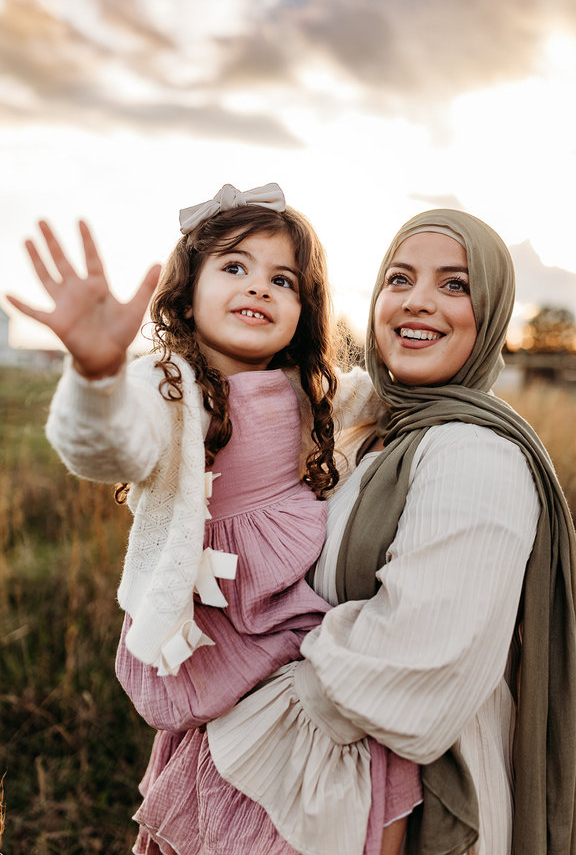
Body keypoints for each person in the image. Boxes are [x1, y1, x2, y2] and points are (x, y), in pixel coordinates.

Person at [7, 184, 422, 855]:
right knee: (221, 777)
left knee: (361, 747)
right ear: (186, 291)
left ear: (304, 309)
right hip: (216, 632)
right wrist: (95, 373)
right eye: (234, 266)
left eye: (281, 279)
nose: (258, 286)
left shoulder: (310, 388)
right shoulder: (167, 385)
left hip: (291, 634)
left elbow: (387, 394)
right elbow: (110, 443)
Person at [186, 208, 575, 855]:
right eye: (400, 278)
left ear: (494, 312)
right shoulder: (375, 429)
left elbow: (412, 662)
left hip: (422, 811)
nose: (417, 301)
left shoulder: (476, 457)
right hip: (329, 793)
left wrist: (242, 691)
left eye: (455, 284)